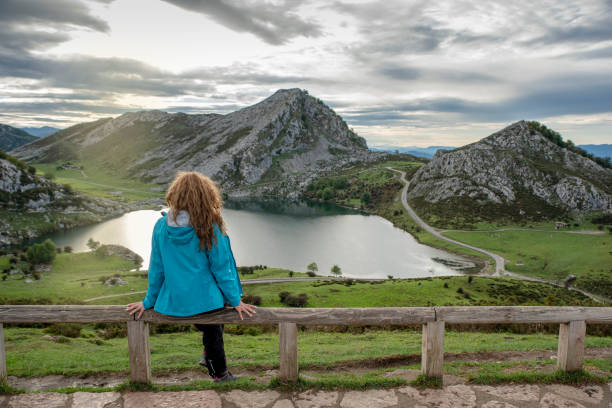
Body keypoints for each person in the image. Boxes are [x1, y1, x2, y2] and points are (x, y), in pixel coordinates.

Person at [126, 171, 256, 382]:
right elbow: (222, 269)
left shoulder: (161, 226)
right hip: (206, 300)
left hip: (175, 302)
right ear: (206, 196)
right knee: (214, 327)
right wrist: (236, 301)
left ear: (175, 195)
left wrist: (148, 301)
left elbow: (156, 267)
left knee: (212, 328)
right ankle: (220, 374)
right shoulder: (210, 226)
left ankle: (210, 359)